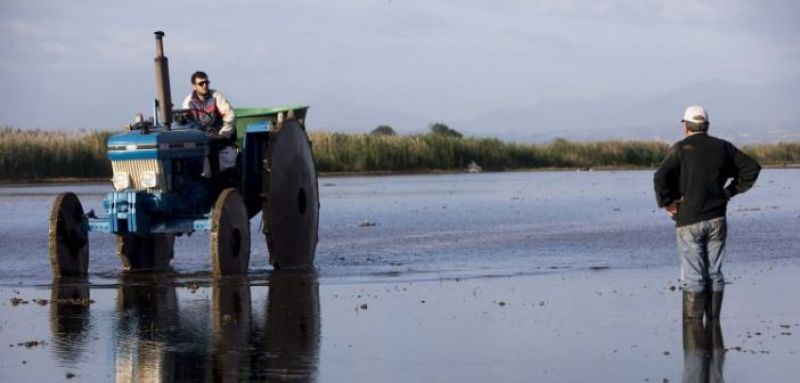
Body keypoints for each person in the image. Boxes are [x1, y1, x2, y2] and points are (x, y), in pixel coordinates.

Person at [653, 105, 760, 323]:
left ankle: (693, 332)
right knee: (714, 273)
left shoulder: (681, 149)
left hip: (688, 220)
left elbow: (660, 177)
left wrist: (668, 204)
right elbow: (752, 168)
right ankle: (713, 325)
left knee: (693, 275)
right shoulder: (723, 147)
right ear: (707, 125)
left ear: (686, 127)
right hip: (717, 219)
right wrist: (729, 192)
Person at [182, 71, 237, 176]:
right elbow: (185, 124)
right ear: (194, 86)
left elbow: (230, 116)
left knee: (222, 160)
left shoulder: (216, 96)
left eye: (207, 82)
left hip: (218, 140)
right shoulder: (188, 102)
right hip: (199, 142)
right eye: (201, 83)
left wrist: (222, 134)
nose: (205, 85)